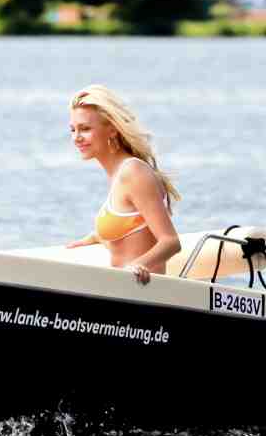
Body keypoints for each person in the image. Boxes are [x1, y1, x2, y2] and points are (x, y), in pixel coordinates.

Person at [65, 84, 180, 285]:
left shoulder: (133, 173)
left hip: (141, 294)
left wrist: (138, 265)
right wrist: (98, 236)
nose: (77, 137)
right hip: (121, 289)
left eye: (85, 129)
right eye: (73, 129)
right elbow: (132, 227)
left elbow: (170, 242)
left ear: (112, 129)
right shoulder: (120, 174)